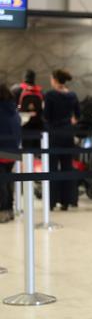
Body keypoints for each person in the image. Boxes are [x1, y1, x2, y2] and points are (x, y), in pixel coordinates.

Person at [43, 69, 80, 211]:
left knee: (52, 168)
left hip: (54, 133)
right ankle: (66, 201)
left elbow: (47, 116)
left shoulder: (50, 95)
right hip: (68, 133)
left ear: (55, 79)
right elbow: (78, 115)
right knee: (67, 167)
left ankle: (51, 201)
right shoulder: (72, 95)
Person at [0, 84, 21, 223]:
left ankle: (2, 211)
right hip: (13, 150)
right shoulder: (13, 110)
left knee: (2, 183)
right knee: (8, 181)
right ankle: (10, 210)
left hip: (1, 150)